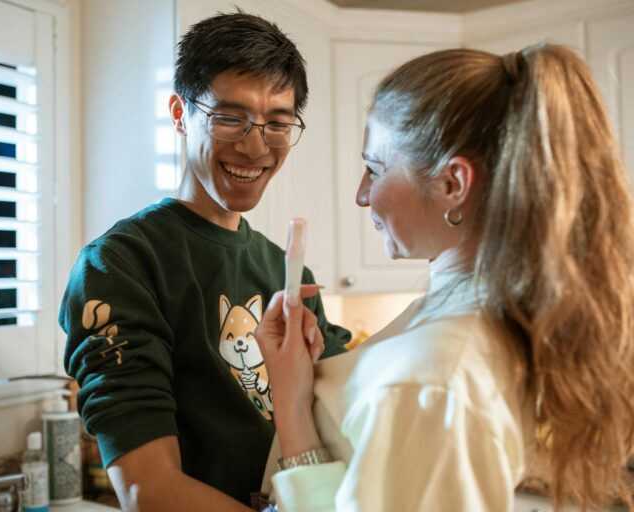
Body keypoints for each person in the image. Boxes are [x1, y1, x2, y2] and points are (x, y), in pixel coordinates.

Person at [256, 44, 634, 511]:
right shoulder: (484, 315)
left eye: (375, 168)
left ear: (453, 185)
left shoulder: (435, 374)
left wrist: (292, 407)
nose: (361, 194)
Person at [59, 11, 350, 511]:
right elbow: (148, 490)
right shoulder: (119, 266)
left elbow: (345, 423)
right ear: (179, 113)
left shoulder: (287, 272)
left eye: (278, 123)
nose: (255, 146)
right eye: (229, 117)